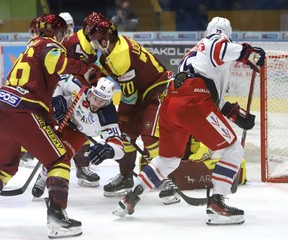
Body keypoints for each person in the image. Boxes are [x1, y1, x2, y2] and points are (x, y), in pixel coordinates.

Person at [112, 17, 265, 225]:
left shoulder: (197, 50)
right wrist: (250, 52)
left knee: (168, 160)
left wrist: (235, 114)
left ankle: (130, 196)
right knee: (234, 149)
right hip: (193, 103)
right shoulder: (216, 43)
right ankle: (217, 204)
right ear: (227, 33)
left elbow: (212, 97)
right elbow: (221, 49)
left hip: (171, 104)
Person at [0, 14, 102, 238]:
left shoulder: (29, 49)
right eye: (62, 34)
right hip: (23, 112)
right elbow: (57, 63)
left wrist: (47, 121)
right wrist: (85, 70)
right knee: (59, 159)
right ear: (57, 34)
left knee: (5, 167)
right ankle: (58, 217)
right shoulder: (49, 46)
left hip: (0, 110)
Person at [87, 19, 181, 204]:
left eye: (98, 41)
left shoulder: (121, 55)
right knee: (125, 135)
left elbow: (129, 97)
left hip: (157, 90)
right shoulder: (113, 49)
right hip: (139, 92)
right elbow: (100, 68)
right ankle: (126, 176)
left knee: (149, 137)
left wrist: (116, 116)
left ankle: (168, 180)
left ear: (106, 39)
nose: (95, 45)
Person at [31, 75, 124, 197]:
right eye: (94, 98)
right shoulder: (82, 86)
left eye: (101, 101)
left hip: (77, 132)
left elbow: (119, 148)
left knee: (60, 156)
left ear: (107, 102)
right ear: (91, 92)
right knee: (33, 112)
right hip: (62, 113)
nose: (96, 103)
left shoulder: (108, 117)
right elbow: (60, 81)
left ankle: (43, 177)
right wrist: (57, 98)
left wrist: (108, 150)